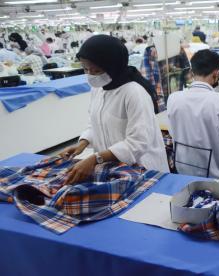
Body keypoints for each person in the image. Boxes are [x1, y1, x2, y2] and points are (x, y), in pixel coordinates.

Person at [58, 35, 169, 185]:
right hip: (112, 168)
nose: (91, 75)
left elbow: (138, 142)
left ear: (113, 65)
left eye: (96, 70)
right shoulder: (98, 89)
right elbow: (94, 123)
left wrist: (95, 158)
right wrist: (82, 144)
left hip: (143, 168)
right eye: (86, 69)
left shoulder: (134, 93)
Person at [167, 49, 219, 180]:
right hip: (218, 175)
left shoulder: (173, 98)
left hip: (183, 170)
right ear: (217, 73)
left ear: (192, 72)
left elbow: (172, 132)